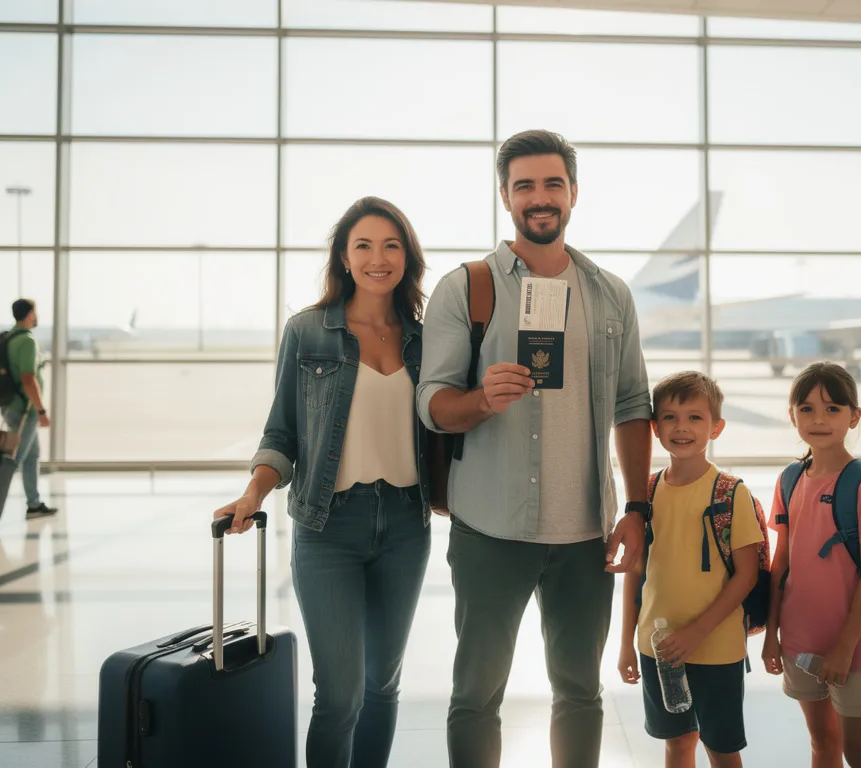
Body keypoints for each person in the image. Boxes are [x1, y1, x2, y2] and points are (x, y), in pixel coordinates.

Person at [417, 129, 653, 768]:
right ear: (505, 196)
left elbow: (634, 405)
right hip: (489, 528)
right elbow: (432, 403)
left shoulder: (610, 294)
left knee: (579, 691)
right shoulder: (466, 288)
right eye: (525, 185)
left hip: (584, 533)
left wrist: (638, 506)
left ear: (574, 193)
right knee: (475, 694)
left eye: (553, 183)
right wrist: (480, 400)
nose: (540, 197)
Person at [216, 197, 435, 768]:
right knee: (340, 695)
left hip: (407, 526)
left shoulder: (424, 336)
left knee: (383, 685)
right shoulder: (308, 331)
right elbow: (281, 432)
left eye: (391, 245)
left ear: (407, 257)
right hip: (327, 525)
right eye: (363, 245)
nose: (377, 258)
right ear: (343, 256)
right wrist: (253, 493)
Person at [618, 371, 765, 768]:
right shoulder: (644, 494)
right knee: (677, 743)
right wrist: (626, 643)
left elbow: (746, 576)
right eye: (669, 417)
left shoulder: (731, 493)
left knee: (721, 748)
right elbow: (635, 573)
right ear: (654, 427)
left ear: (716, 427)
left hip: (716, 648)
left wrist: (697, 631)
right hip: (657, 648)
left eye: (695, 418)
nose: (681, 428)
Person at [762, 362, 861, 768]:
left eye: (833, 409)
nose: (819, 419)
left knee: (859, 751)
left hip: (856, 644)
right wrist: (771, 633)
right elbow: (780, 564)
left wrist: (845, 647)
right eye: (807, 409)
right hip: (800, 639)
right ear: (792, 415)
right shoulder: (790, 479)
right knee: (821, 741)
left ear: (854, 417)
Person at [5, 299, 57, 519]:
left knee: (31, 454)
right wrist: (41, 410)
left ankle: (34, 504)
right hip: (24, 409)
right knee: (15, 459)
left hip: (11, 405)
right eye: (35, 313)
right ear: (29, 315)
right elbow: (28, 378)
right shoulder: (26, 341)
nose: (36, 317)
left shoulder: (9, 338)